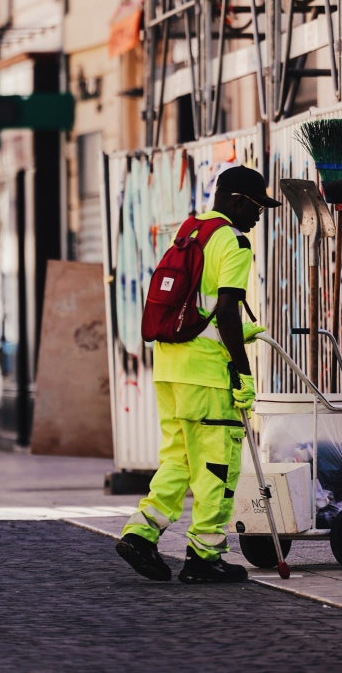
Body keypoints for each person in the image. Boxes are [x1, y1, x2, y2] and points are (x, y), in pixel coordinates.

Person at [116, 165, 281, 583]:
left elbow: (200, 310)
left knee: (179, 459)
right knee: (216, 465)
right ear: (237, 200)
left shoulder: (190, 232)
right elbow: (225, 312)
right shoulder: (233, 242)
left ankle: (140, 533)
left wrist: (233, 329)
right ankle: (204, 555)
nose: (259, 215)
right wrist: (243, 375)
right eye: (257, 206)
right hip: (206, 376)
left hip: (169, 368)